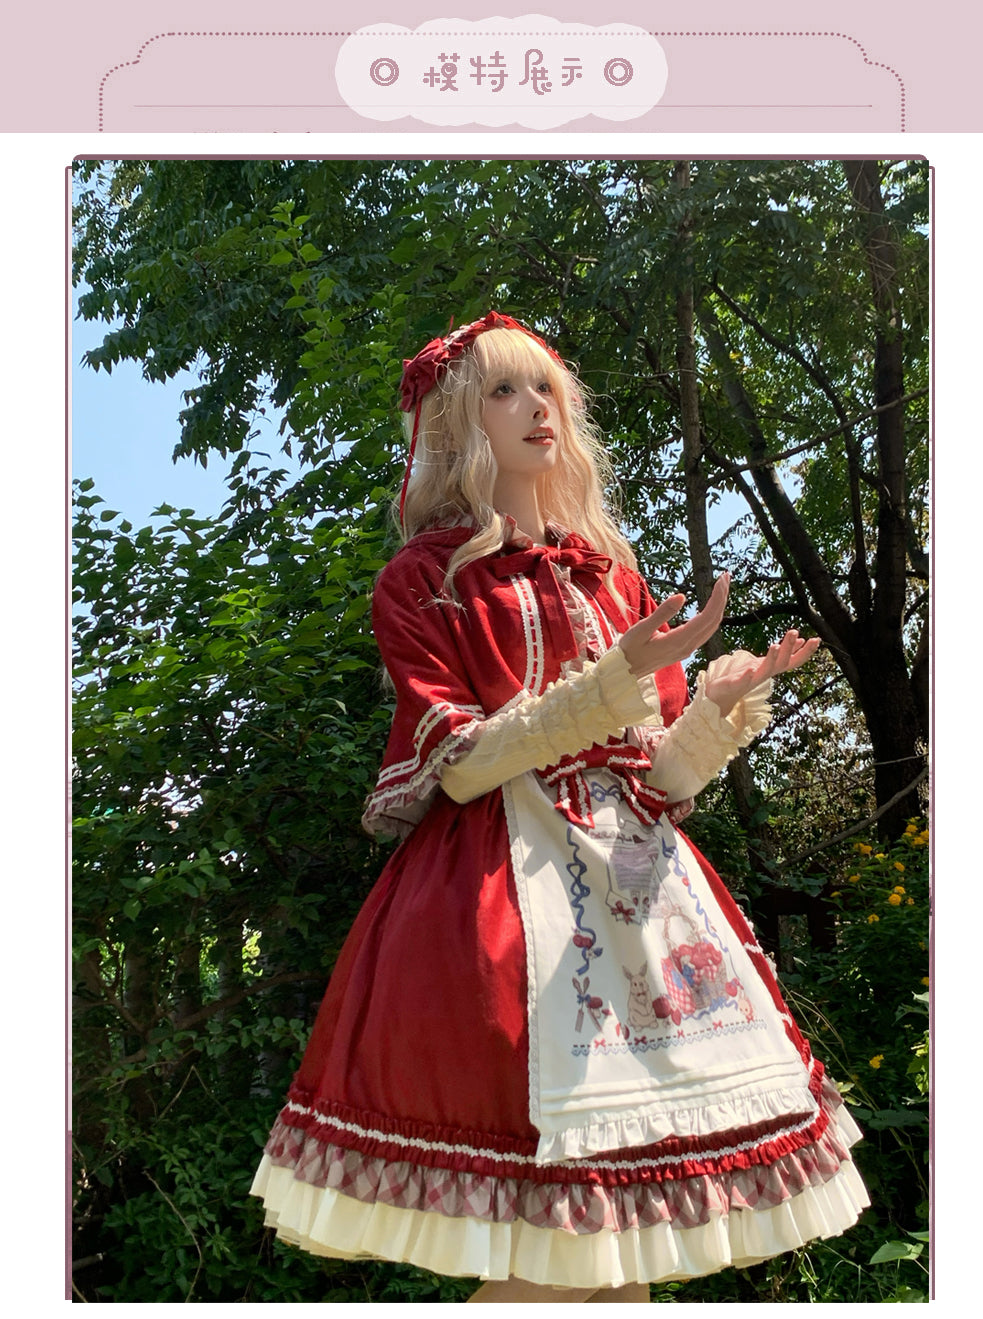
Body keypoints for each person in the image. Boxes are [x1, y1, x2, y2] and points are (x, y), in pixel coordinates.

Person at [250, 312, 869, 1303]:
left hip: (646, 905)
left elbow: (658, 783)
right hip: (503, 909)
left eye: (545, 387)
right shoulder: (424, 579)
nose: (536, 406)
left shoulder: (612, 576)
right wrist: (615, 677)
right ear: (459, 421)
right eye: (503, 389)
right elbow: (459, 764)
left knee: (627, 1257)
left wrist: (718, 704)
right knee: (555, 1260)